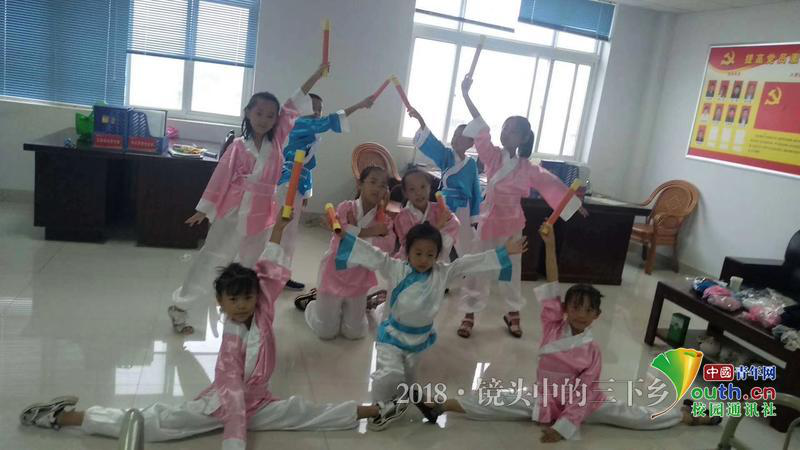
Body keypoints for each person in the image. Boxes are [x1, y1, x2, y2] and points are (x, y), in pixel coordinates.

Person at [19, 217, 407, 449]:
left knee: (305, 413)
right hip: (223, 404)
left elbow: (268, 271)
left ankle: (376, 410)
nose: (242, 305)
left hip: (259, 401)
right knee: (153, 423)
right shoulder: (231, 342)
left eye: (247, 298)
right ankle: (61, 416)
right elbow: (233, 394)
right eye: (233, 300)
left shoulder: (261, 308)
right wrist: (233, 443)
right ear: (220, 303)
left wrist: (278, 229)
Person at [412, 222, 721, 443]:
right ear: (565, 308)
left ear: (596, 316)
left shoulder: (592, 352)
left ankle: (686, 416)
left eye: (587, 310)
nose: (580, 314)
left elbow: (583, 393)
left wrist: (563, 428)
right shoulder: (553, 324)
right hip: (543, 396)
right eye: (575, 307)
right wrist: (549, 245)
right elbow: (553, 282)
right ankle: (441, 405)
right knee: (495, 402)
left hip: (585, 403)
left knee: (636, 416)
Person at [168, 63, 328, 335]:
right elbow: (221, 177)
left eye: (270, 115)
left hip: (263, 212)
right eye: (259, 113)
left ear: (277, 119)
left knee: (252, 265)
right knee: (213, 259)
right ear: (248, 113)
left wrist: (316, 74)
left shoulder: (278, 140)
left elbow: (293, 104)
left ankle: (244, 312)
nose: (264, 119)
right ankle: (181, 307)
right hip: (233, 210)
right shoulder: (238, 147)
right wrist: (205, 208)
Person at [333, 222, 526, 407]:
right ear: (408, 252)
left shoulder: (442, 273)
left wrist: (503, 253)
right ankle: (379, 408)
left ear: (437, 255)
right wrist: (347, 239)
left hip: (419, 339)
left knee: (409, 379)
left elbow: (469, 263)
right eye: (418, 253)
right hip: (392, 336)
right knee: (389, 374)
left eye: (430, 254)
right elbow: (374, 255)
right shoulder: (396, 268)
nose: (424, 260)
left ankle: (400, 403)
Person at [459, 74, 579, 338]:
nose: (505, 132)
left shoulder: (528, 168)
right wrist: (466, 94)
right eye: (504, 127)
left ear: (524, 138)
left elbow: (551, 184)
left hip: (512, 225)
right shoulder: (492, 157)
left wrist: (572, 203)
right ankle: (469, 312)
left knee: (510, 271)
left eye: (512, 129)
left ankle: (513, 311)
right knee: (478, 267)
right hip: (489, 221)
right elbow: (481, 127)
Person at [253, 92, 377, 291]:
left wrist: (305, 192)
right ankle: (272, 273)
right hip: (288, 183)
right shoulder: (301, 123)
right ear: (302, 109)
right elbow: (329, 122)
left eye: (320, 109)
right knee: (284, 232)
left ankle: (280, 273)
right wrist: (359, 104)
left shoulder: (309, 130)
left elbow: (307, 166)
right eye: (313, 107)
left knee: (289, 233)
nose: (317, 112)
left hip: (296, 184)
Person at [406, 107, 484, 337]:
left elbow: (476, 191)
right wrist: (421, 120)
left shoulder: (472, 165)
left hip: (465, 209)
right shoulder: (446, 156)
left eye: (465, 137)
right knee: (438, 247)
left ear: (471, 142)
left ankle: (469, 309)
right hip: (444, 207)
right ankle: (432, 285)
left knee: (469, 255)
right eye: (457, 135)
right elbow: (431, 142)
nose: (459, 139)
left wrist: (475, 217)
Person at [298, 166, 396, 340]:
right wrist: (372, 232)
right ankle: (313, 304)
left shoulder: (385, 220)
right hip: (334, 273)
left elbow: (387, 247)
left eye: (382, 185)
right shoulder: (346, 208)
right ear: (360, 184)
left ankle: (348, 308)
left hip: (359, 278)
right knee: (326, 332)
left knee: (355, 332)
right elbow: (340, 238)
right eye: (373, 182)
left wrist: (353, 231)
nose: (377, 188)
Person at [393, 168, 459, 260]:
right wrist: (439, 226)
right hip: (411, 259)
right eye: (412, 189)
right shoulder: (402, 217)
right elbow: (413, 243)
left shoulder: (438, 209)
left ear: (429, 187)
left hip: (435, 257)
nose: (418, 193)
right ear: (405, 193)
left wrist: (447, 218)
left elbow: (454, 225)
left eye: (423, 187)